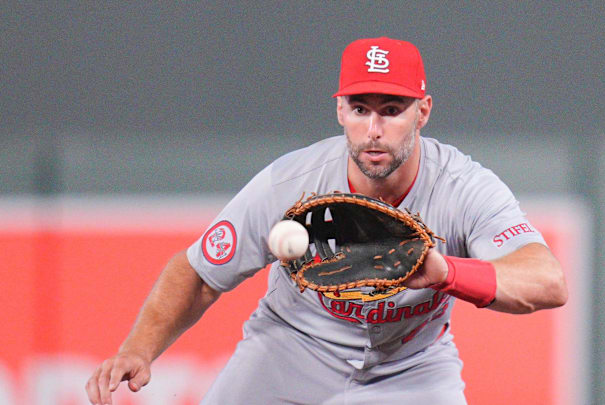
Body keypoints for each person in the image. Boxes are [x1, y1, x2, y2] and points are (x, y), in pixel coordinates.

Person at [85, 37, 568, 405]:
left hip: (412, 366)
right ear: (339, 109)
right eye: (360, 109)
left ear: (423, 112)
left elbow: (548, 282)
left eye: (392, 110)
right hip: (291, 349)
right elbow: (198, 274)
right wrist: (138, 350)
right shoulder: (291, 182)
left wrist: (448, 273)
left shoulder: (463, 187)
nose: (373, 130)